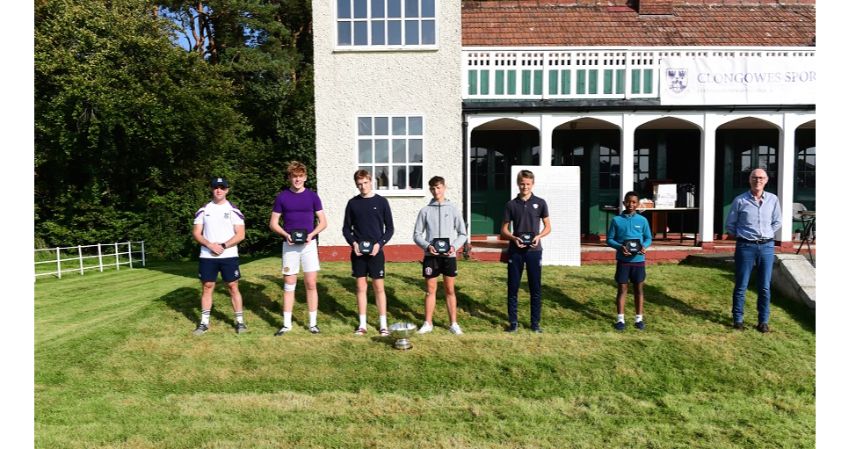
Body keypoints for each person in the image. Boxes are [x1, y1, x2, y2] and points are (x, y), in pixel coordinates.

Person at [269, 161, 328, 335]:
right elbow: (273, 223)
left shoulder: (313, 197)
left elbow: (323, 222)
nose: (297, 179)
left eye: (300, 176)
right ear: (289, 178)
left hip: (309, 245)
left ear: (305, 177)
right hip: (290, 246)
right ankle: (287, 324)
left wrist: (311, 235)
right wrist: (285, 235)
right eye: (294, 176)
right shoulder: (282, 197)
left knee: (310, 283)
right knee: (289, 283)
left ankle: (312, 324)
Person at [726, 168, 782, 333]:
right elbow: (730, 224)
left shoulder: (773, 199)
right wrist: (744, 236)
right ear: (749, 180)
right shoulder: (740, 200)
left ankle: (763, 321)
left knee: (764, 286)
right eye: (754, 177)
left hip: (766, 247)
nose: (758, 180)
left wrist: (767, 233)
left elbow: (777, 221)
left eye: (761, 177)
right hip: (746, 247)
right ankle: (738, 319)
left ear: (766, 180)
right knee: (741, 285)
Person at [191, 177, 247, 335]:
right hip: (207, 256)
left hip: (229, 255)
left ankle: (240, 322)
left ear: (227, 190)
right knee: (207, 287)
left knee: (233, 286)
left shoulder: (233, 210)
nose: (219, 190)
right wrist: (209, 245)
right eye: (216, 187)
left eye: (222, 187)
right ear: (212, 189)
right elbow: (196, 232)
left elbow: (241, 234)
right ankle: (204, 323)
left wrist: (223, 246)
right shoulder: (204, 209)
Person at [342, 169, 395, 336]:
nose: (362, 187)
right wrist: (353, 243)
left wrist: (380, 244)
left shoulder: (382, 202)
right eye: (359, 184)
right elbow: (345, 229)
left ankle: (383, 325)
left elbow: (390, 229)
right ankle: (362, 324)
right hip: (358, 253)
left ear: (371, 181)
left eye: (365, 183)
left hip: (376, 252)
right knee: (360, 287)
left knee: (379, 287)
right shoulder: (352, 203)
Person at [413, 176, 468, 335]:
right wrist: (427, 246)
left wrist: (454, 247)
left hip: (449, 257)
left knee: (450, 289)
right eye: (432, 188)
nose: (436, 191)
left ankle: (453, 324)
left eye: (438, 187)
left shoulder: (453, 209)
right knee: (430, 290)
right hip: (431, 256)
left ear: (444, 187)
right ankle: (428, 323)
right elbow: (417, 235)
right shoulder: (425, 211)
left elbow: (462, 234)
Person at [501, 170, 551, 333]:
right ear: (518, 183)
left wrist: (538, 236)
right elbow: (504, 230)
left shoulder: (541, 203)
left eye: (528, 184)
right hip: (515, 251)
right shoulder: (511, 204)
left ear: (532, 184)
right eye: (522, 183)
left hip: (534, 251)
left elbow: (548, 227)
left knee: (535, 288)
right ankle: (513, 323)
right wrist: (514, 238)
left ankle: (535, 324)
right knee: (513, 287)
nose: (525, 187)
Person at [606, 191, 653, 331]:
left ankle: (639, 318)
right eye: (628, 201)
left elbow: (648, 238)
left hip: (638, 261)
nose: (631, 204)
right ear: (623, 203)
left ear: (638, 204)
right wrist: (620, 247)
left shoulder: (643, 220)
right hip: (623, 261)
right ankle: (620, 319)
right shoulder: (616, 220)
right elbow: (609, 239)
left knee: (638, 289)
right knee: (622, 289)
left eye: (634, 202)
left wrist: (644, 246)